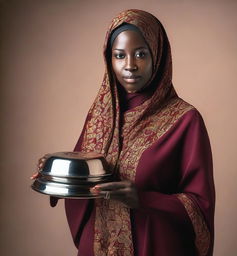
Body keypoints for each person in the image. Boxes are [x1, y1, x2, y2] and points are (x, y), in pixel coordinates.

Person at [32, 9, 215, 256]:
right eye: (119, 56)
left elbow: (199, 206)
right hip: (98, 246)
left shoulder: (184, 119)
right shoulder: (100, 115)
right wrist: (55, 176)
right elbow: (84, 180)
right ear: (109, 59)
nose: (130, 65)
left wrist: (143, 199)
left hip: (154, 245)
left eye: (141, 54)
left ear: (158, 55)